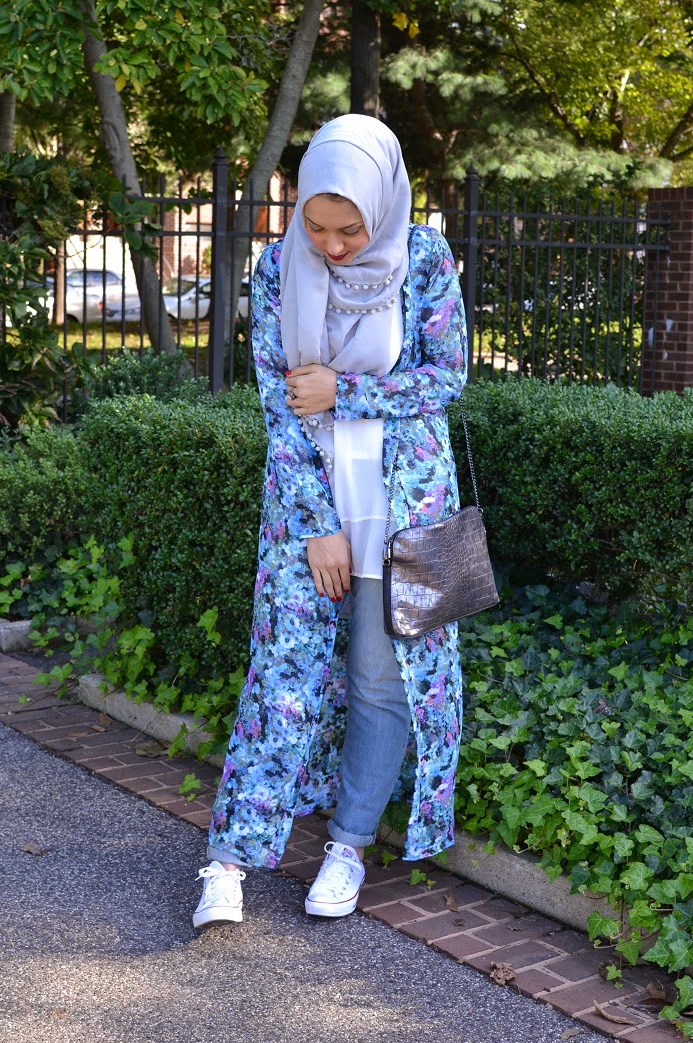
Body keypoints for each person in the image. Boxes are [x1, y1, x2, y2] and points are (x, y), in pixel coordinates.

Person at [193, 114, 467, 928]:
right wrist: (316, 524)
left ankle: (347, 846)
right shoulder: (280, 265)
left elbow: (447, 376)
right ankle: (229, 858)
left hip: (408, 498)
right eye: (317, 226)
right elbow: (279, 406)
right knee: (282, 672)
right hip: (308, 498)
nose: (334, 246)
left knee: (384, 677)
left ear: (383, 207)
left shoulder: (424, 256)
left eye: (351, 230)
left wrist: (347, 392)